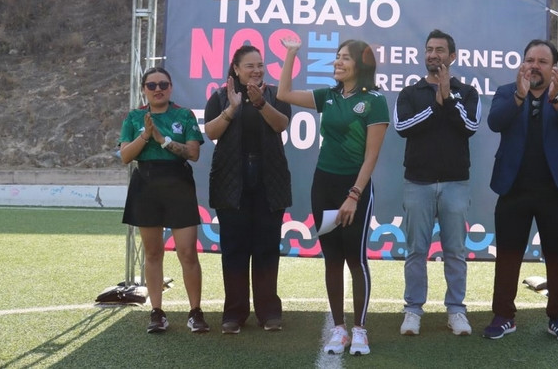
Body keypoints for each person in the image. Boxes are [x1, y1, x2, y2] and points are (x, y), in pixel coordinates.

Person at [278, 36, 389, 356]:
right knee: (332, 259)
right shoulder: (328, 96)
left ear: (360, 65)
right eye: (336, 57)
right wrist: (291, 54)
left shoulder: (374, 100)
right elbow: (284, 93)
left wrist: (354, 195)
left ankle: (360, 330)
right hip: (323, 186)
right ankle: (339, 329)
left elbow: (371, 157)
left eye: (345, 58)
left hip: (354, 189)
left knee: (356, 259)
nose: (337, 62)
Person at [483, 39, 558, 343]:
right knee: (508, 256)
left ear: (554, 68)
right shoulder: (507, 92)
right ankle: (503, 316)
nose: (534, 66)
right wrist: (519, 95)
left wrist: (557, 100)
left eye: (542, 61)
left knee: (557, 257)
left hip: (555, 191)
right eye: (530, 60)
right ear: (522, 65)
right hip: (513, 189)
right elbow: (495, 122)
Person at [394, 29, 481, 337]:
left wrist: (448, 95)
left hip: (456, 183)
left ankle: (456, 310)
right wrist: (436, 102)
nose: (433, 54)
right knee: (416, 250)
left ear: (452, 56)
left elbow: (469, 126)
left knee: (455, 250)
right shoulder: (411, 92)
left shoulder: (467, 92)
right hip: (417, 183)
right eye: (429, 49)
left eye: (440, 50)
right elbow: (403, 126)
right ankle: (413, 310)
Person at [203, 45, 292, 334]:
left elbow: (282, 125)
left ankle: (269, 312)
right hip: (232, 180)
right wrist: (232, 107)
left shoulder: (275, 94)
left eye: (260, 65)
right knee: (234, 249)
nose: (256, 70)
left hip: (269, 179)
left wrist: (261, 104)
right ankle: (234, 313)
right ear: (236, 69)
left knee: (267, 247)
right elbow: (212, 132)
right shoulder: (219, 96)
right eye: (250, 66)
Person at [119, 67, 209, 334]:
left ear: (170, 87)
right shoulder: (135, 117)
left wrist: (163, 140)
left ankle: (195, 312)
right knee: (153, 253)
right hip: (145, 185)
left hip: (178, 184)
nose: (158, 89)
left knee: (187, 252)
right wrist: (146, 136)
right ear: (144, 89)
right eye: (151, 85)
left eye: (163, 84)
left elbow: (193, 153)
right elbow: (125, 156)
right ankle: (156, 312)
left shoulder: (184, 115)